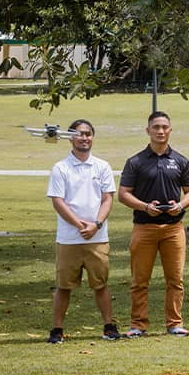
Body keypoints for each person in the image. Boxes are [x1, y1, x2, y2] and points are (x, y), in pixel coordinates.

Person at [118, 111, 189, 337]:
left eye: (164, 127)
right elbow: (123, 194)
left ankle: (175, 324)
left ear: (170, 130)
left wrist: (180, 206)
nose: (160, 131)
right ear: (148, 131)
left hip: (173, 228)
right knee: (140, 280)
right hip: (144, 227)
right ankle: (138, 325)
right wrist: (144, 207)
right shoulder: (136, 161)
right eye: (156, 127)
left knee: (175, 279)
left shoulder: (181, 161)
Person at [45, 119, 120, 343]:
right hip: (69, 238)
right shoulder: (61, 168)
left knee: (101, 284)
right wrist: (80, 225)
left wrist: (95, 225)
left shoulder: (102, 166)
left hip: (97, 237)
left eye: (88, 134)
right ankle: (57, 330)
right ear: (70, 138)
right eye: (79, 134)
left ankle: (109, 326)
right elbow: (58, 201)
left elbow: (107, 199)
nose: (84, 138)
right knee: (64, 286)